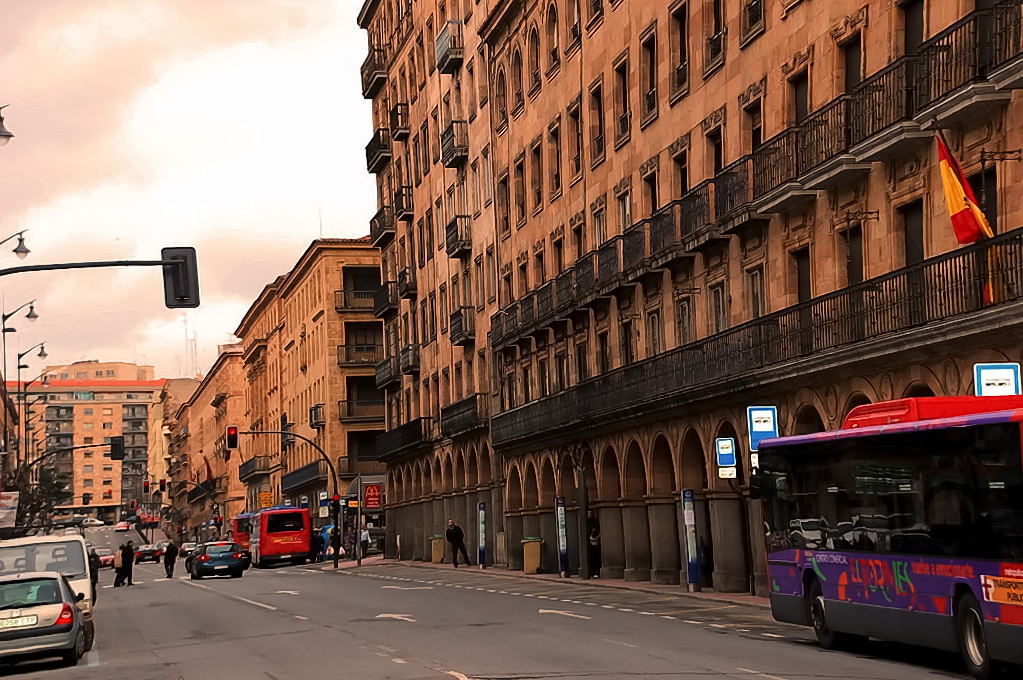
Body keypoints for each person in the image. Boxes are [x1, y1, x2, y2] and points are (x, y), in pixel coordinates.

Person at [586, 510, 601, 579]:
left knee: (595, 558)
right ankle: (591, 572)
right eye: (588, 513)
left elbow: (598, 531)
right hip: (588, 543)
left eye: (590, 513)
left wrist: (595, 538)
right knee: (590, 558)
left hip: (594, 542)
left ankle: (596, 572)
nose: (589, 515)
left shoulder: (595, 522)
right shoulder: (586, 522)